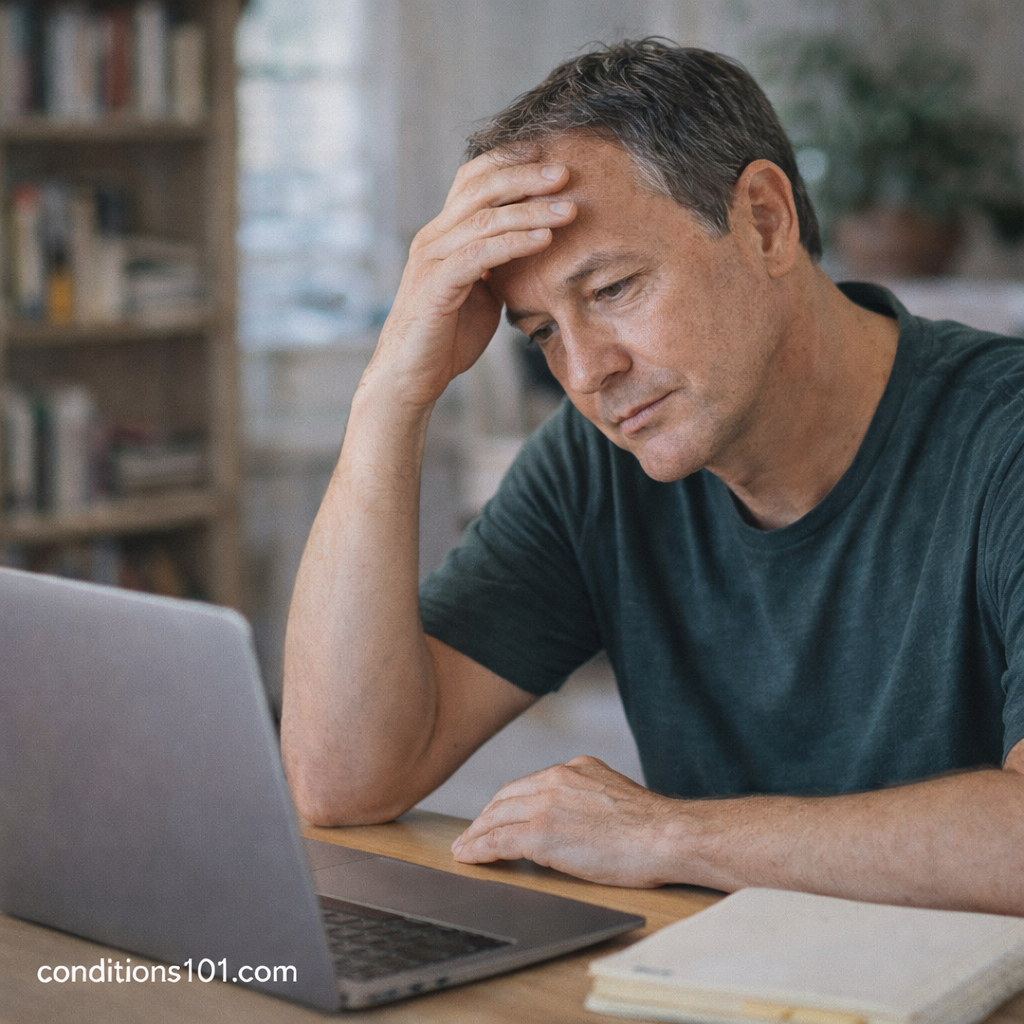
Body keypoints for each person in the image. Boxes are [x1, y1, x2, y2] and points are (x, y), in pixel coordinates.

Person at [281, 40, 1024, 914]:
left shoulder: (1001, 436)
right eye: (542, 333)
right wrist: (389, 393)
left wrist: (665, 835)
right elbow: (342, 780)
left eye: (614, 290)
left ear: (764, 221)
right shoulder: (597, 464)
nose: (587, 371)